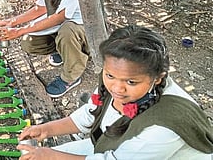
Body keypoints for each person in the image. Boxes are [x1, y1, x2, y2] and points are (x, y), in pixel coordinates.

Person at [16, 25, 213, 159]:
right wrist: (46, 130)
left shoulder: (167, 125)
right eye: (110, 76)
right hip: (113, 145)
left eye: (131, 81)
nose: (117, 88)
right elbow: (89, 115)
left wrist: (52, 156)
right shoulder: (115, 80)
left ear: (158, 78)